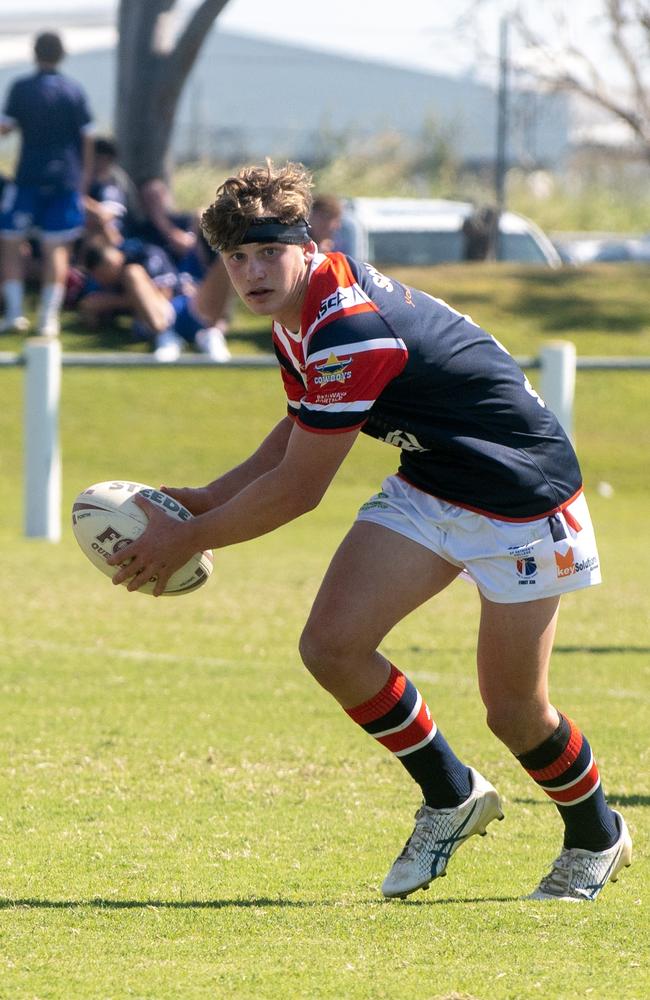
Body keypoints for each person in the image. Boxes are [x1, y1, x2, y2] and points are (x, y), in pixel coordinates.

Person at [106, 160, 632, 902]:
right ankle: (453, 796)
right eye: (235, 258)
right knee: (332, 645)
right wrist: (208, 497)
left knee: (514, 710)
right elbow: (294, 433)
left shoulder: (349, 326)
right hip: (433, 482)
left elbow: (298, 488)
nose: (252, 272)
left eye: (266, 252)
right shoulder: (300, 309)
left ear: (306, 241)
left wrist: (187, 539)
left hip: (522, 500)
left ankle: (596, 834)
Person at [0, 31, 94, 336]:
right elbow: (87, 139)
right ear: (61, 55)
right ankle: (47, 318)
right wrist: (84, 179)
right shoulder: (73, 90)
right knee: (57, 248)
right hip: (65, 180)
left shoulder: (22, 88)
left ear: (35, 52)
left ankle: (15, 313)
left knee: (11, 242)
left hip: (28, 178)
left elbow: (5, 128)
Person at [80, 238, 231, 362]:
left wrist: (110, 302)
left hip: (176, 308)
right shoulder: (102, 284)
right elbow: (91, 318)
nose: (100, 279)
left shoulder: (144, 254)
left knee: (228, 256)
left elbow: (165, 294)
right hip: (154, 323)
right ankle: (174, 337)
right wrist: (91, 311)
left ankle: (209, 335)